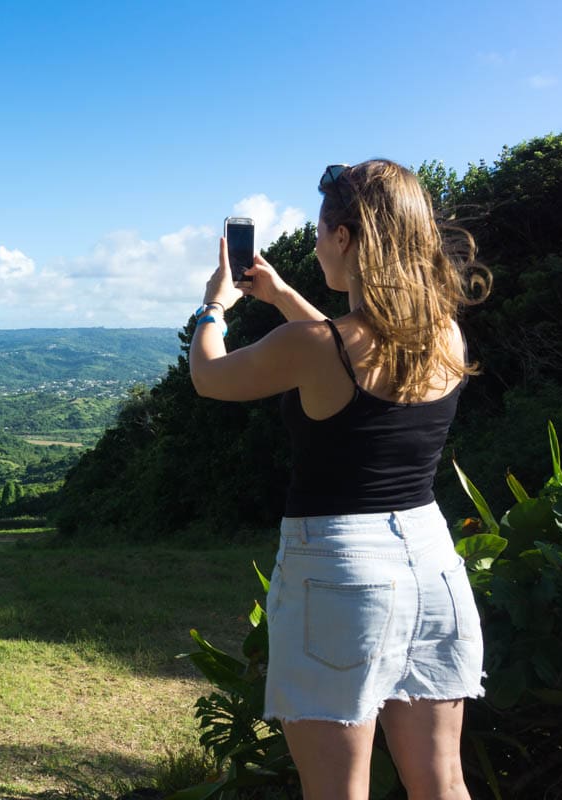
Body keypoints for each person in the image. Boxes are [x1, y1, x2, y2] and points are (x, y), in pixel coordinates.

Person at [188, 160, 489, 800]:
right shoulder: (445, 335)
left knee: (336, 791)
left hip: (339, 571)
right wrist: (278, 296)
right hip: (433, 565)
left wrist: (214, 304)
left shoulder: (317, 346)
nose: (317, 242)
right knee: (442, 781)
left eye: (322, 231)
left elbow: (211, 377)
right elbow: (339, 346)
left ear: (346, 238)